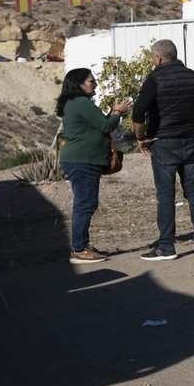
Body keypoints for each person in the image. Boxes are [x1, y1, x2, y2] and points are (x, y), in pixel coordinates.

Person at [131, 38, 194, 261]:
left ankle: (166, 246)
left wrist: (141, 139)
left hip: (163, 143)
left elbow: (138, 113)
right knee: (193, 191)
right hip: (188, 141)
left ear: (157, 58)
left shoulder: (155, 78)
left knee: (166, 195)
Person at [56, 69, 132, 264]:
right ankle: (80, 249)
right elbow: (107, 126)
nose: (95, 84)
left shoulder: (75, 104)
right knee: (85, 204)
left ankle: (82, 246)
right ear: (79, 84)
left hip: (81, 159)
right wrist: (117, 112)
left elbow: (100, 124)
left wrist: (113, 113)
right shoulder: (81, 102)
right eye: (91, 81)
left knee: (86, 202)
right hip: (83, 160)